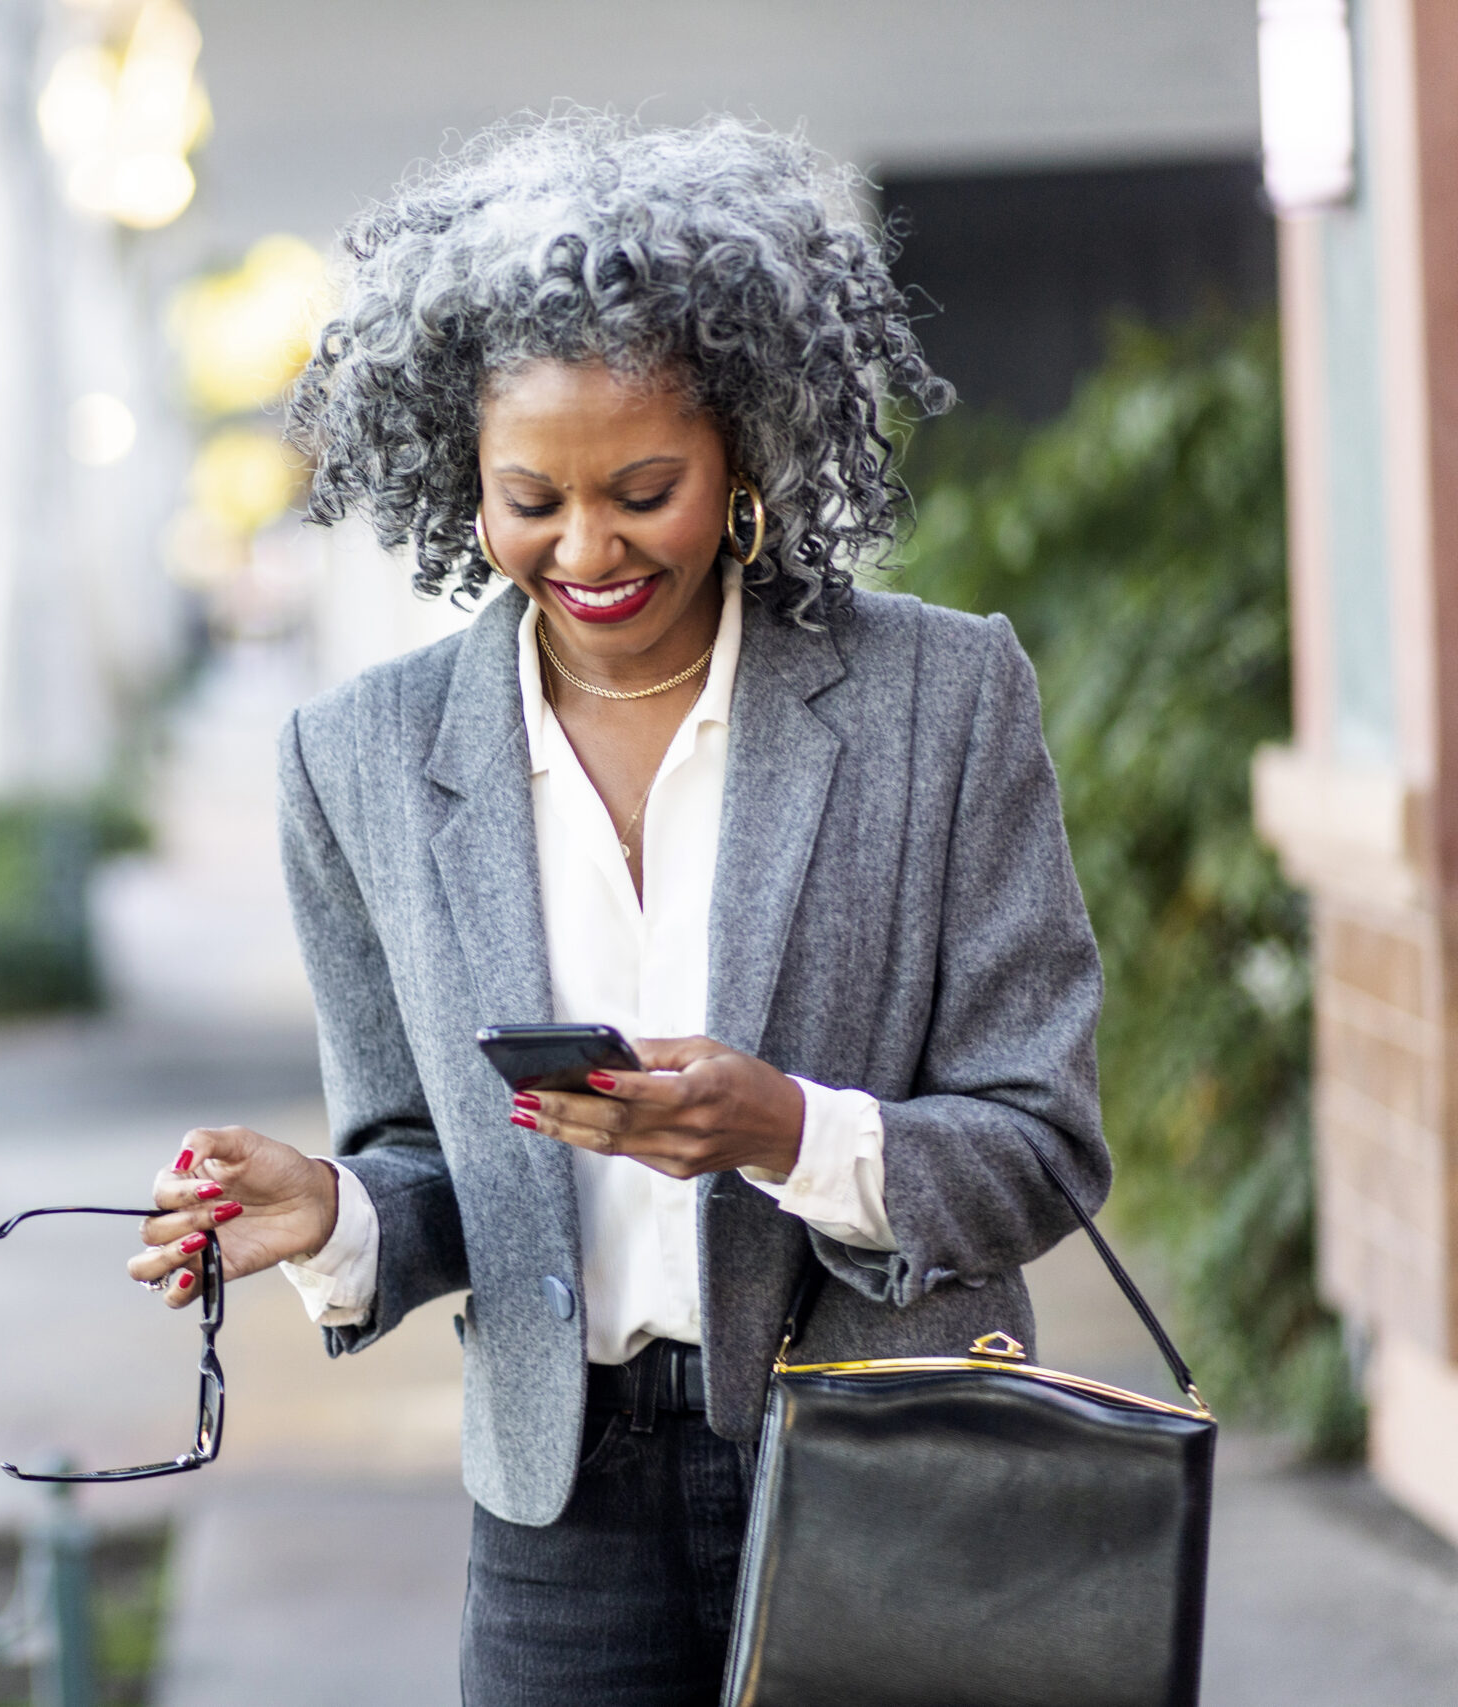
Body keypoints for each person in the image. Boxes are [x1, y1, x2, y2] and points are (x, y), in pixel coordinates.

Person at [125, 113, 1110, 1707]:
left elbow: (1043, 1150)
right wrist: (340, 1211)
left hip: (885, 1459)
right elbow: (428, 1161)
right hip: (557, 1513)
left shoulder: (945, 698)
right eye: (532, 499)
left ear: (745, 456)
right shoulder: (357, 761)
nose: (586, 549)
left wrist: (787, 1129)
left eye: (643, 488)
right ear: (465, 476)